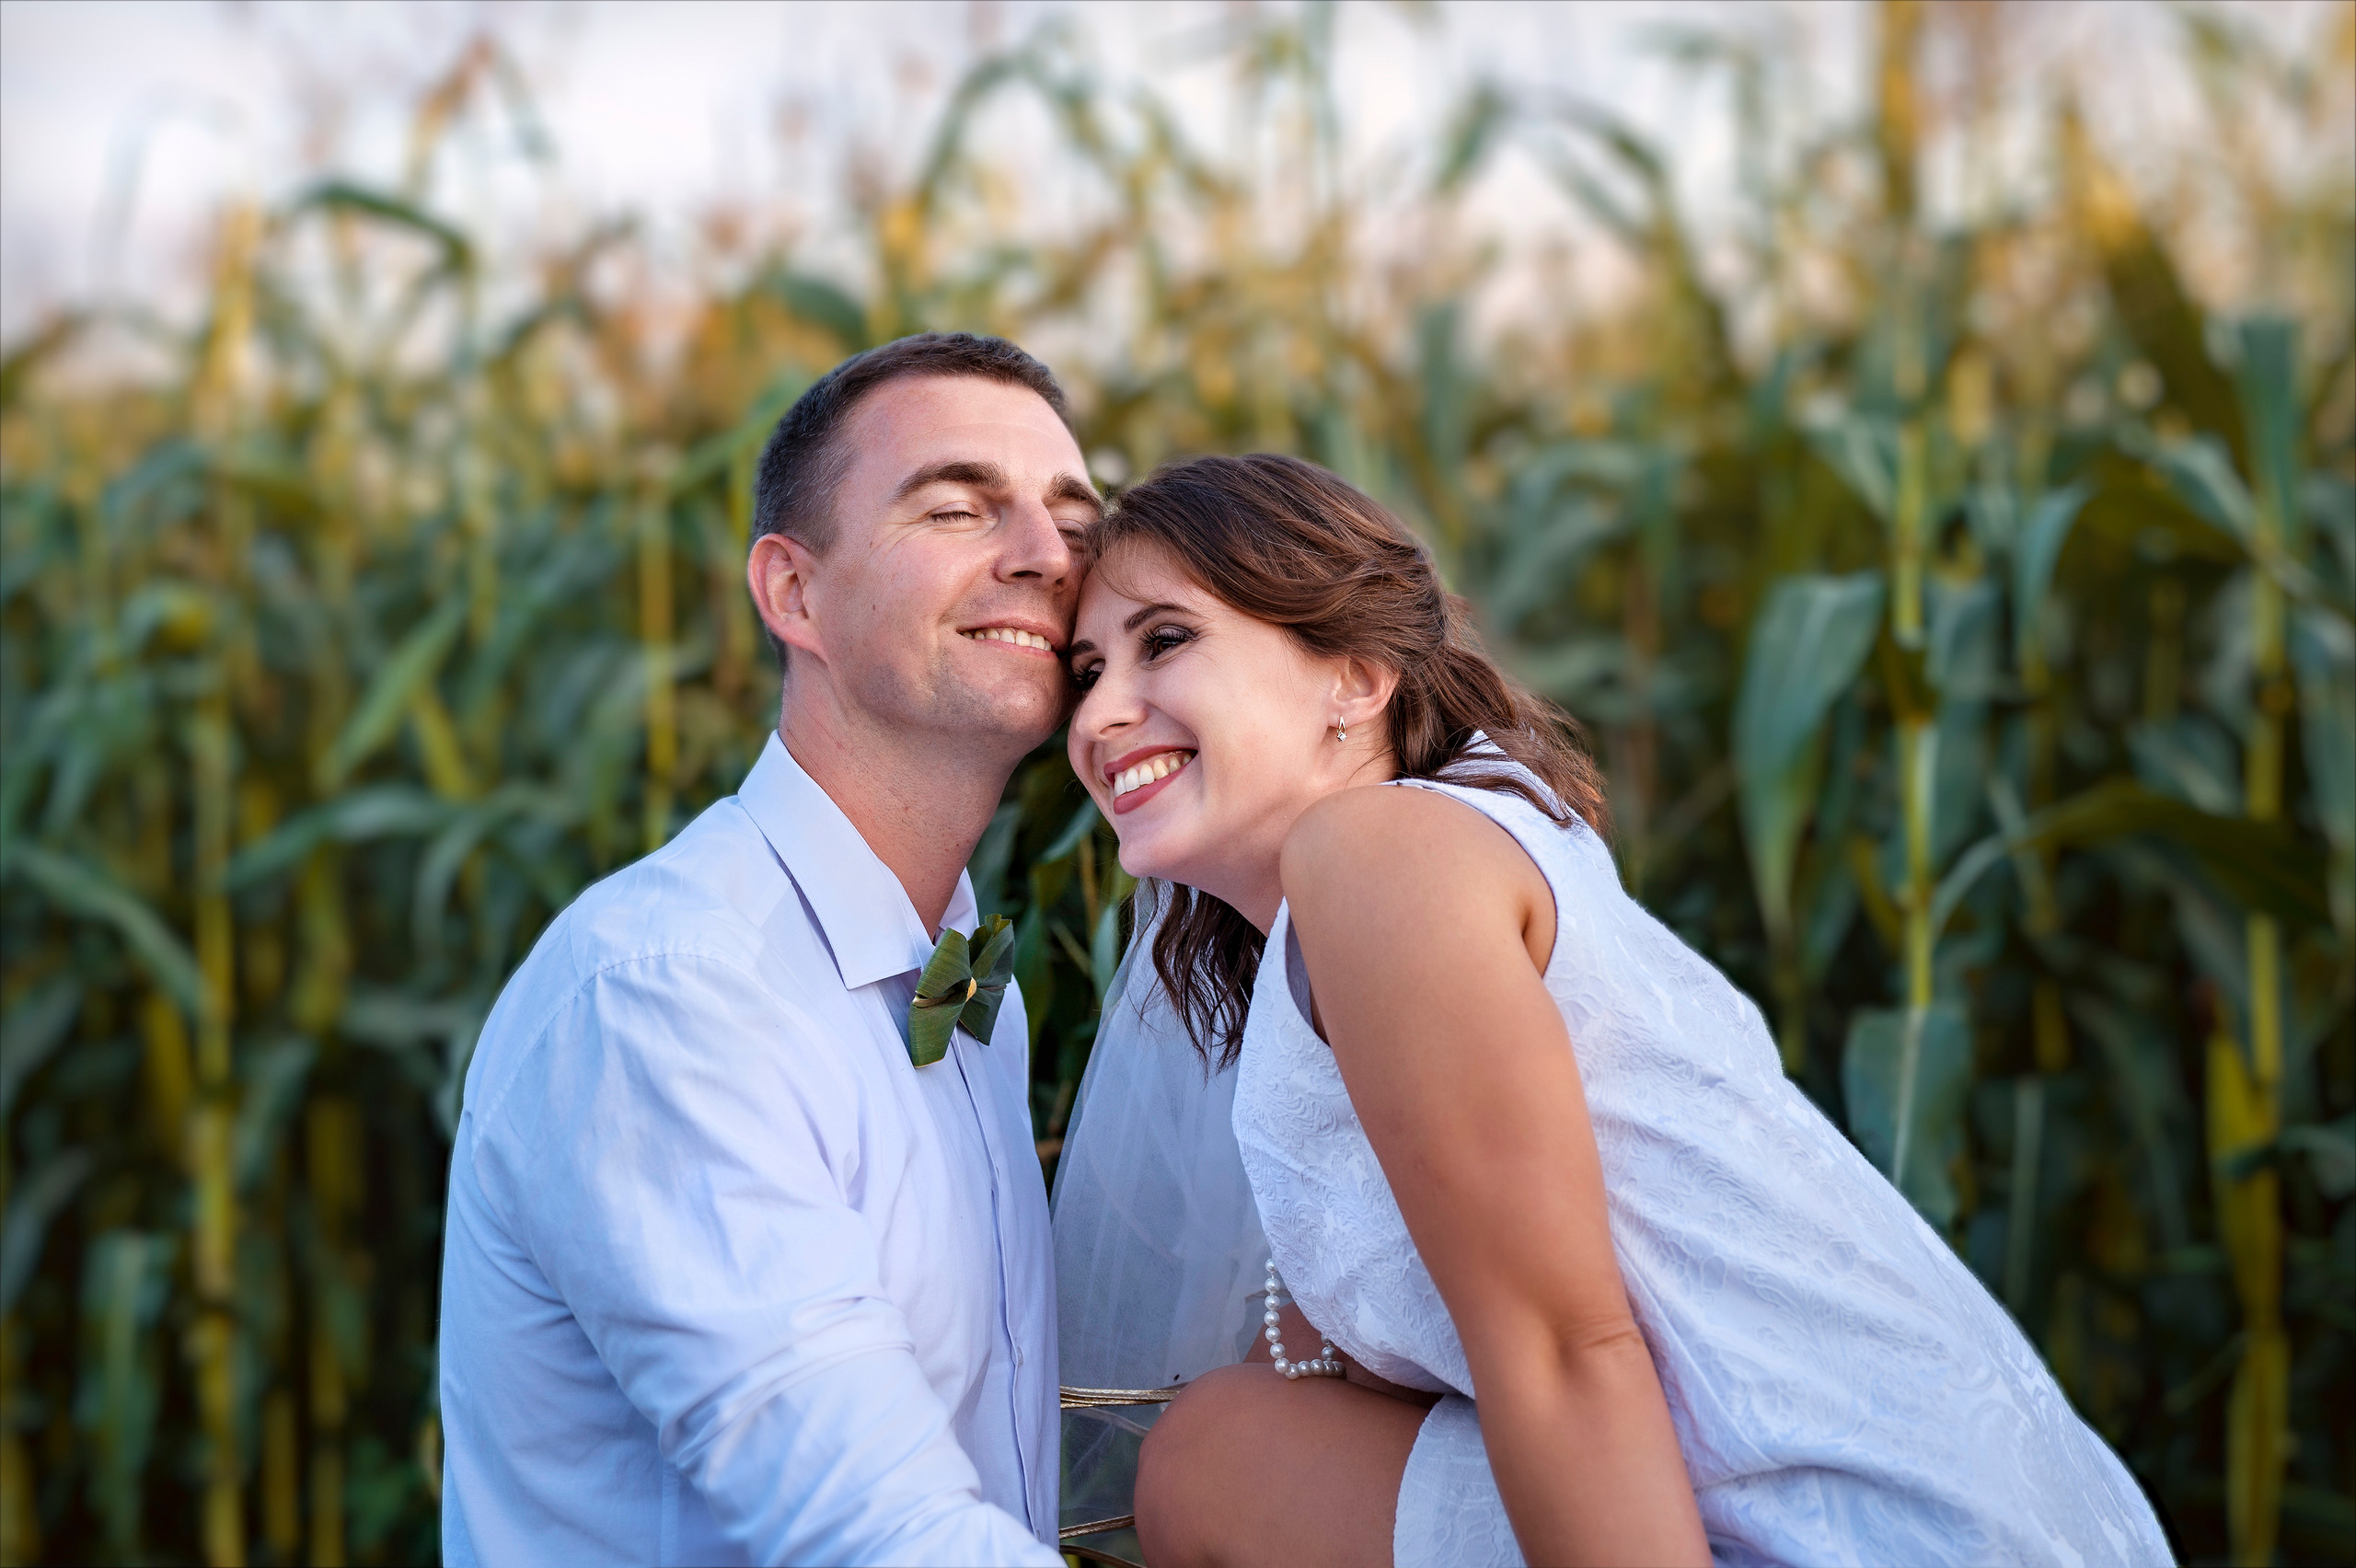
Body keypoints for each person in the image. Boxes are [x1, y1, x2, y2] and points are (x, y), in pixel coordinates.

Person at [1054, 453, 2174, 1567]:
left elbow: (1566, 1347)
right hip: (1940, 1503)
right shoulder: (1413, 869)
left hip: (1870, 1529)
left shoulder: (1380, 857)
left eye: (1165, 640)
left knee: (1219, 1459)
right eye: (1083, 670)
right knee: (1245, 1433)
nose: (1102, 714)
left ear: (1353, 677)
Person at [437, 332, 1097, 1567]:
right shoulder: (672, 997)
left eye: (1073, 517)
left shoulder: (960, 976)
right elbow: (882, 1532)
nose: (1046, 556)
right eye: (959, 507)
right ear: (794, 594)